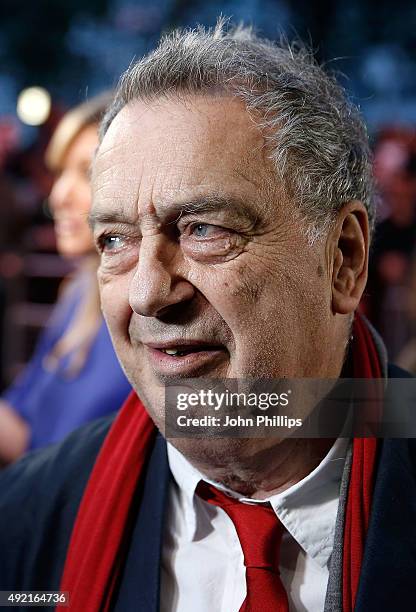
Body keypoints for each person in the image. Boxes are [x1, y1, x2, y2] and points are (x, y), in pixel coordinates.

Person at [1, 21, 415, 612]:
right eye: (115, 240)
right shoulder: (26, 523)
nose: (147, 292)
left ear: (344, 259)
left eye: (204, 229)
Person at [0, 95, 131, 463]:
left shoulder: (158, 312)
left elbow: (291, 414)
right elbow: (26, 431)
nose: (58, 195)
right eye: (59, 173)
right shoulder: (78, 293)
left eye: (86, 173)